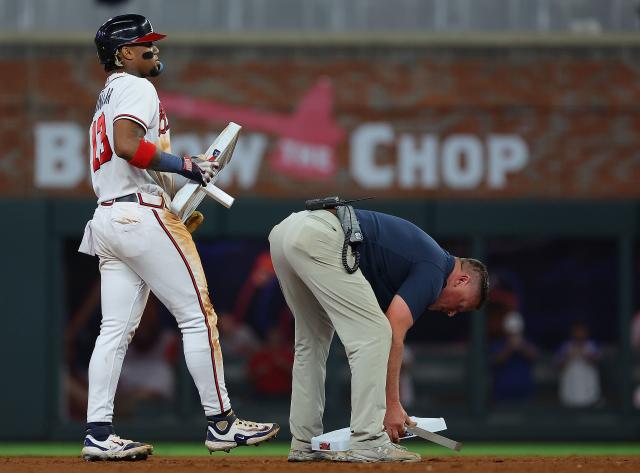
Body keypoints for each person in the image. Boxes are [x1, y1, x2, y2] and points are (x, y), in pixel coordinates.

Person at [78, 14, 278, 461]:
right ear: (123, 53)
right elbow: (128, 145)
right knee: (198, 315)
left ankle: (97, 432)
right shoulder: (135, 86)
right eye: (145, 44)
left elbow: (133, 158)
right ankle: (222, 422)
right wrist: (187, 166)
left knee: (114, 331)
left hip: (110, 217)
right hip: (138, 215)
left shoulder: (109, 93)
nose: (154, 49)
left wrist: (180, 201)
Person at [268, 203, 488, 463]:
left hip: (287, 232)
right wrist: (392, 405)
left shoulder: (420, 262)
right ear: (461, 280)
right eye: (461, 305)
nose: (453, 312)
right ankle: (368, 440)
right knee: (376, 334)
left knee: (311, 343)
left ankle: (304, 442)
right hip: (320, 235)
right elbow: (394, 329)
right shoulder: (436, 269)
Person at [490, 311, 539, 402]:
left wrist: (521, 346)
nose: (514, 335)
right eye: (511, 332)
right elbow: (496, 361)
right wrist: (509, 348)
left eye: (516, 332)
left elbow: (534, 356)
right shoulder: (499, 343)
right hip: (503, 393)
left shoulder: (526, 342)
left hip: (525, 392)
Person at [555, 321, 601, 407]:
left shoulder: (592, 345)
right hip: (570, 392)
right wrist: (568, 356)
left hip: (589, 393)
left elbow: (597, 361)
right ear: (572, 333)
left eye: (582, 331)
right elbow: (558, 365)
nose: (579, 334)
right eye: (577, 331)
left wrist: (585, 355)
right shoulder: (565, 346)